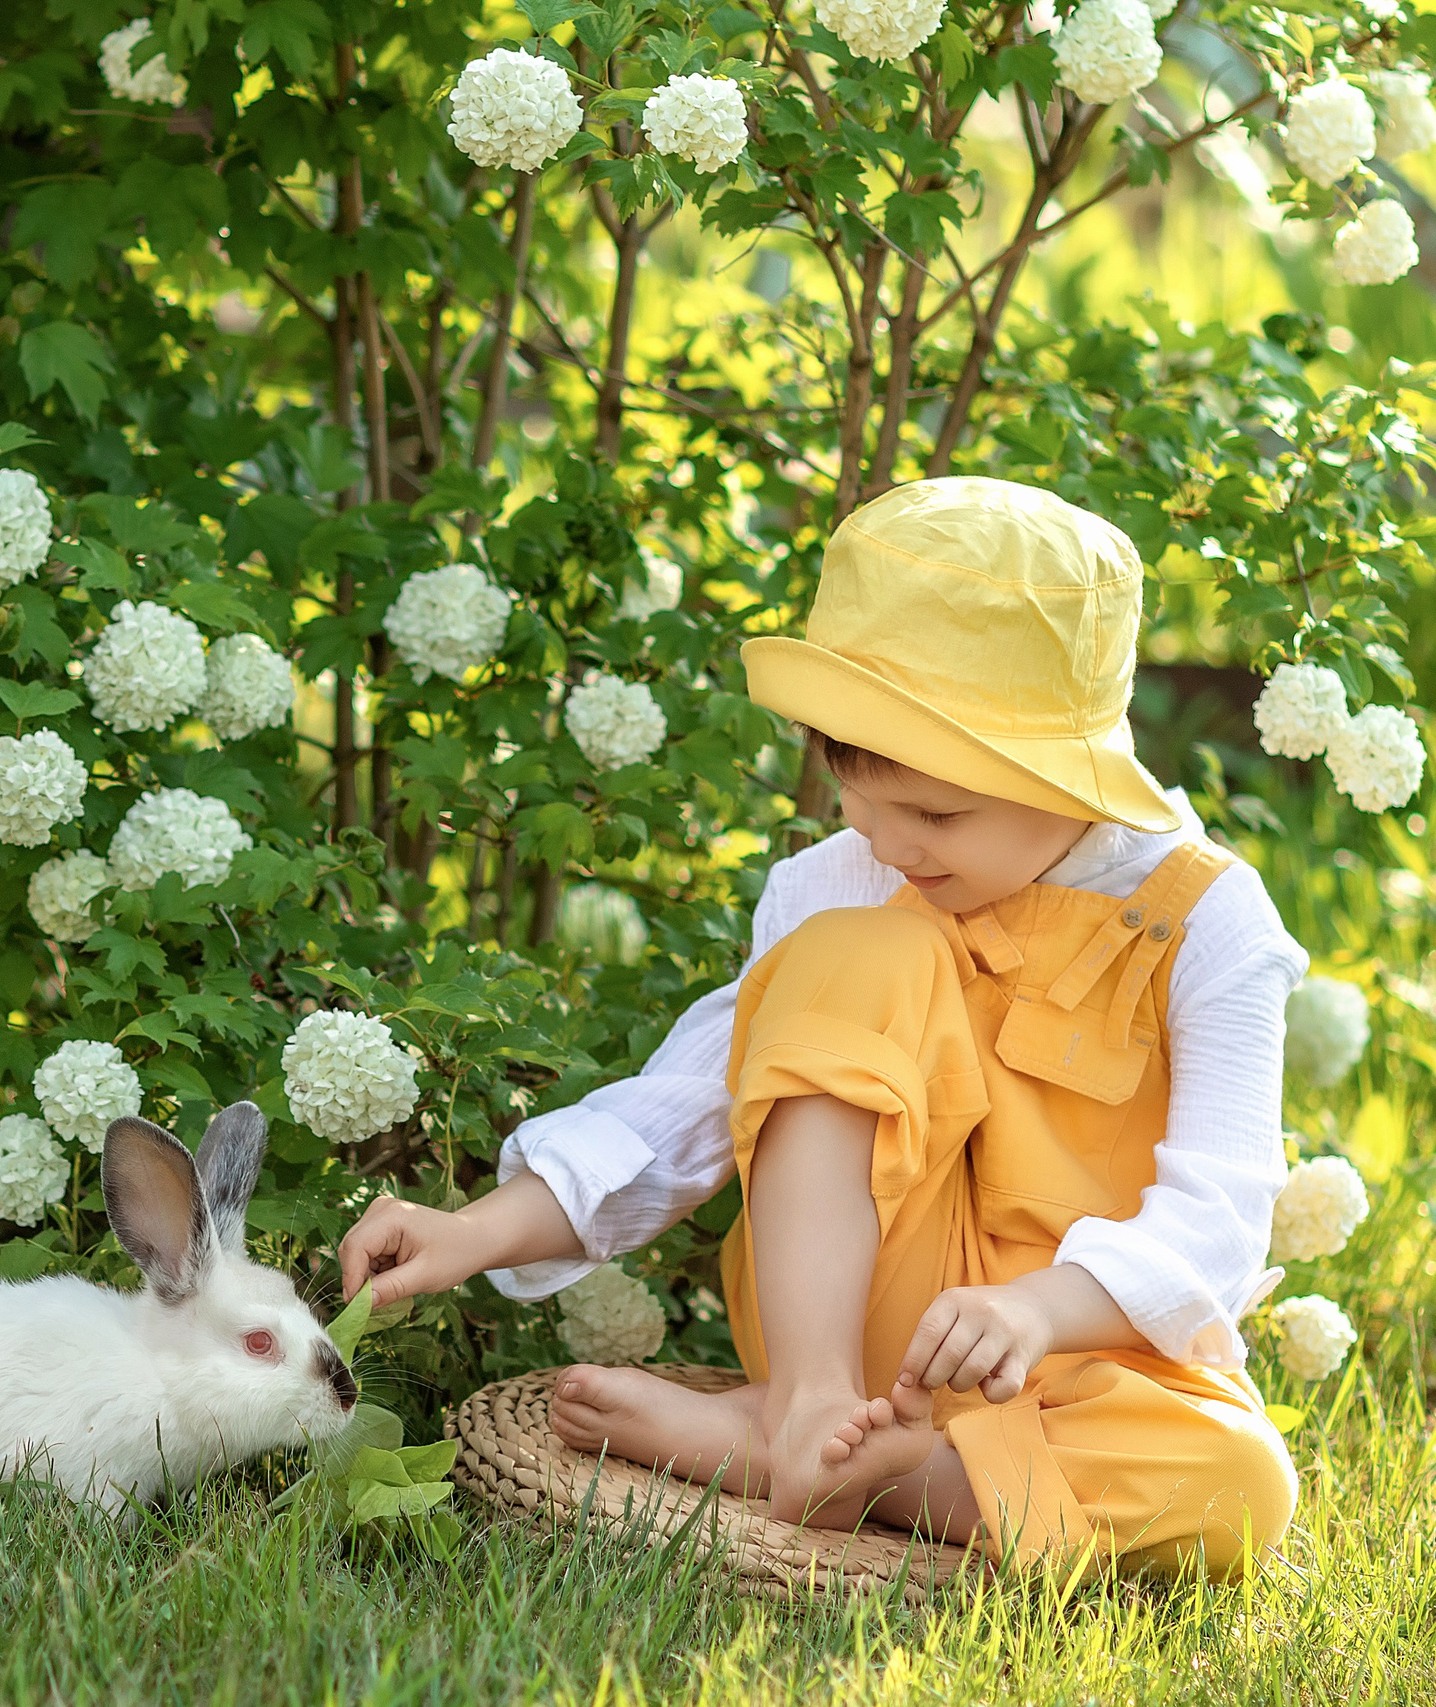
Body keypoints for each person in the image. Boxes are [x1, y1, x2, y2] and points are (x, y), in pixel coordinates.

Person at [339, 478, 1305, 1577]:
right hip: (849, 1329)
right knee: (860, 947)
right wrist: (479, 1231)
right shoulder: (840, 886)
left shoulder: (1206, 921)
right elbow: (687, 1105)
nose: (891, 844)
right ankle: (800, 1408)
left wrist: (1040, 1309)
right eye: (857, 795)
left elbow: (1220, 1214)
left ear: (1071, 781)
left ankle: (876, 1470)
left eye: (939, 815)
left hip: (1064, 1350)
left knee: (1237, 1487)